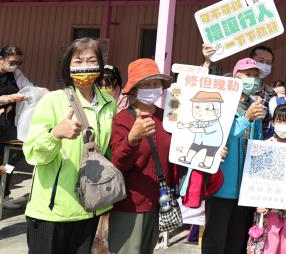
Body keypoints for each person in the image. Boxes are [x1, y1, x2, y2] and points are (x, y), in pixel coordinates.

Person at [23, 38, 116, 254]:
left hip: (90, 207)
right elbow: (33, 153)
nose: (85, 67)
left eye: (91, 60)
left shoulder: (109, 103)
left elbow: (110, 151)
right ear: (68, 67)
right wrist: (55, 134)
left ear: (100, 65)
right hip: (52, 210)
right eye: (78, 61)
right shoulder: (53, 101)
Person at [202, 57, 267, 254]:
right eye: (248, 75)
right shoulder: (222, 103)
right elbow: (219, 138)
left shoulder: (255, 106)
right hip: (222, 186)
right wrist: (246, 118)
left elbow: (257, 145)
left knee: (237, 242)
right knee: (215, 240)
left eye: (255, 76)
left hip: (246, 189)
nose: (252, 79)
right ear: (235, 76)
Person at [109, 58, 172, 254]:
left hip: (159, 203)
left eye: (156, 84)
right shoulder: (122, 119)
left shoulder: (168, 117)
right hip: (130, 205)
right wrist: (132, 139)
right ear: (135, 89)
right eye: (146, 84)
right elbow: (118, 162)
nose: (153, 88)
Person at [250, 104, 286, 254]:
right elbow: (256, 177)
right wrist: (258, 202)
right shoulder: (265, 145)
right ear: (273, 122)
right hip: (269, 205)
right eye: (279, 121)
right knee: (269, 244)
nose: (283, 125)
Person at [0, 44, 33, 208]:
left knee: (14, 155)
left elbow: (29, 88)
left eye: (19, 63)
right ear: (1, 59)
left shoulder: (16, 74)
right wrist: (7, 98)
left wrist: (40, 92)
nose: (15, 66)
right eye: (12, 62)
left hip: (7, 123)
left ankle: (3, 193)